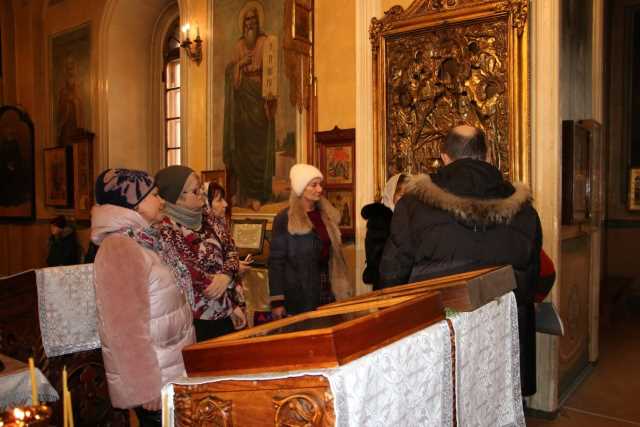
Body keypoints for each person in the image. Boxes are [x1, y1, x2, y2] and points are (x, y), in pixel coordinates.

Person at [379, 125, 542, 397]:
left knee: (444, 404)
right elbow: (529, 280)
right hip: (499, 340)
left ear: (444, 157)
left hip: (439, 338)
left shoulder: (413, 204)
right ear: (488, 156)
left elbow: (392, 274)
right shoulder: (523, 209)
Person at [91, 168, 195, 426]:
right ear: (134, 204)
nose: (161, 201)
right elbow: (124, 329)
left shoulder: (144, 239)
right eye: (155, 195)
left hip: (172, 369)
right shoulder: (120, 248)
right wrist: (146, 388)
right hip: (155, 383)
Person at [155, 166, 248, 342]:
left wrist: (226, 275)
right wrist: (227, 303)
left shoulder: (208, 218)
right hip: (198, 317)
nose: (201, 195)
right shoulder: (167, 228)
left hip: (228, 305)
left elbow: (231, 249)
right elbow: (190, 270)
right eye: (195, 191)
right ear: (177, 198)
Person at [269, 164, 352, 318]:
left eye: (320, 184)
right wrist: (277, 301)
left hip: (327, 288)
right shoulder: (284, 219)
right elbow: (276, 262)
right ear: (301, 189)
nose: (320, 189)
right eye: (314, 185)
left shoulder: (326, 216)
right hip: (298, 293)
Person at [223, 6, 277, 209]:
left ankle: (259, 194)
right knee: (244, 149)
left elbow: (270, 73)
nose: (250, 23)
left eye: (253, 19)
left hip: (258, 99)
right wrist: (240, 64)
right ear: (243, 24)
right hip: (242, 103)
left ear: (258, 21)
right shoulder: (238, 45)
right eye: (247, 20)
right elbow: (230, 73)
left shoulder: (265, 42)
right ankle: (244, 194)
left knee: (258, 149)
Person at [360, 174, 410, 290]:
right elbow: (377, 258)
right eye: (401, 195)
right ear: (391, 194)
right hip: (387, 284)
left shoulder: (411, 217)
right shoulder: (380, 220)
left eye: (409, 196)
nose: (405, 200)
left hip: (406, 283)